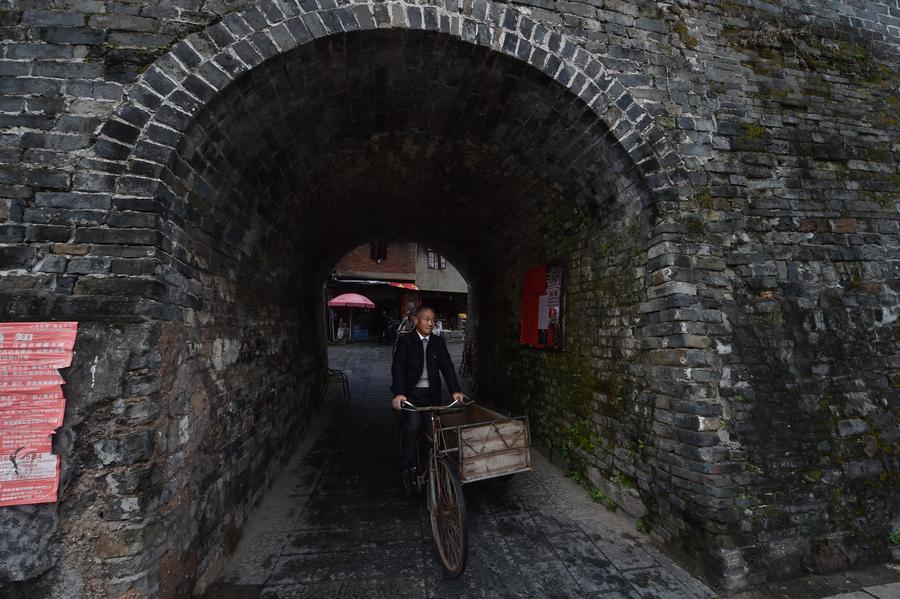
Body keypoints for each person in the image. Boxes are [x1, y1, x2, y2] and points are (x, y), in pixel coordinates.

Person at [391, 305, 465, 481]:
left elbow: (447, 367)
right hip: (411, 395)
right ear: (416, 320)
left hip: (431, 395)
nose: (430, 323)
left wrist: (455, 391)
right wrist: (399, 393)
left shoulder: (438, 342)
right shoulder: (406, 341)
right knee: (413, 425)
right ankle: (408, 463)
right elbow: (398, 368)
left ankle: (432, 464)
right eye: (426, 319)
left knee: (435, 431)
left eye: (433, 320)